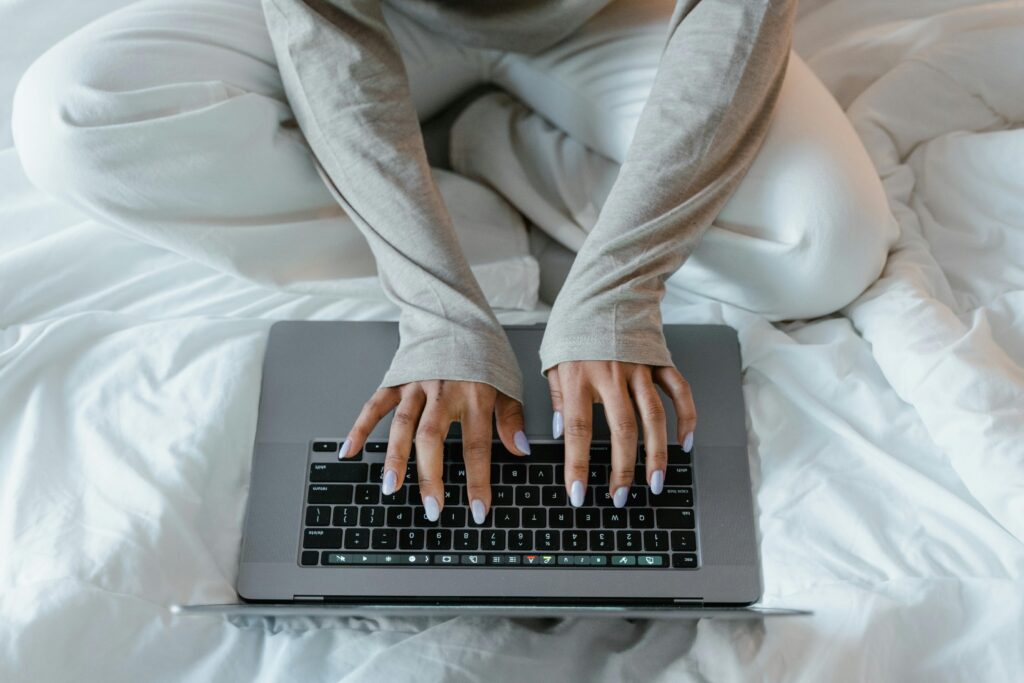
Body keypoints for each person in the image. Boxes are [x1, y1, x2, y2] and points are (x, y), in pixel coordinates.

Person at [12, 0, 896, 526]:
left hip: (610, 15)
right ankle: (486, 235)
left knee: (827, 242)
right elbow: (330, 37)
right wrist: (440, 312)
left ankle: (491, 143)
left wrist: (620, 286)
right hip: (374, 20)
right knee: (73, 119)